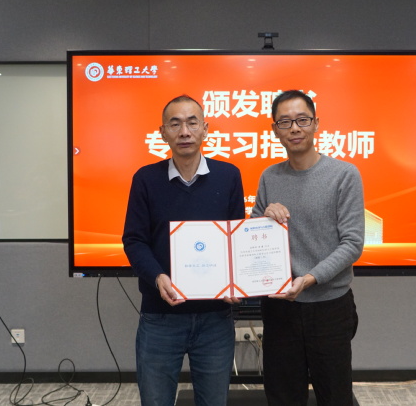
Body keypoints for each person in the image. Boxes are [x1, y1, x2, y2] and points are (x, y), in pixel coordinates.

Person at [122, 95, 245, 406]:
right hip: (160, 316)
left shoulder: (228, 175)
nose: (185, 131)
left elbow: (236, 239)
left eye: (192, 122)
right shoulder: (146, 179)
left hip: (215, 317)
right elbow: (134, 240)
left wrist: (236, 281)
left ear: (205, 129)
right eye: (175, 124)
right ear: (162, 132)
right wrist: (157, 277)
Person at [251, 89, 365, 406]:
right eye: (285, 122)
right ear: (275, 130)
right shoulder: (269, 177)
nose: (294, 128)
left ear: (316, 123)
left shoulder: (344, 174)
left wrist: (310, 278)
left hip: (329, 307)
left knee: (335, 396)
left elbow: (353, 243)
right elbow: (252, 236)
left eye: (302, 120)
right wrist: (265, 216)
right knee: (283, 397)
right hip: (280, 309)